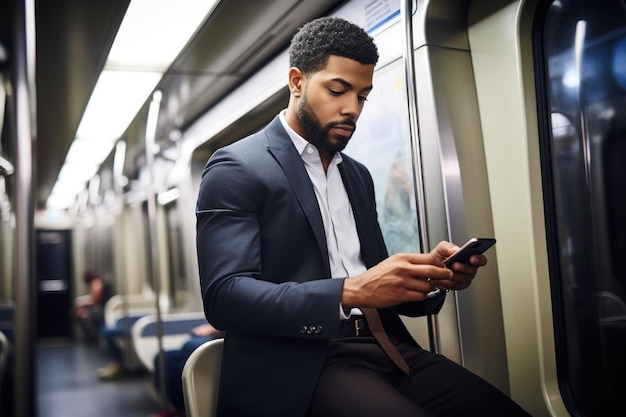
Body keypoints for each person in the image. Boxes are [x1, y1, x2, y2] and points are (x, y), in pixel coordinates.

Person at [195, 17, 531, 417]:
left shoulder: (357, 175)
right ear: (297, 81)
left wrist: (428, 277)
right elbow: (225, 299)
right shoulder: (237, 167)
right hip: (302, 362)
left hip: (386, 347)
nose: (352, 109)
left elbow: (374, 282)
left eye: (362, 96)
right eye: (338, 90)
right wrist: (348, 292)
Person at [151, 323, 224, 417]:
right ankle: (175, 408)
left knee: (186, 355)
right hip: (218, 335)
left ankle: (184, 409)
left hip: (225, 340)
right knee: (163, 358)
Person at [71, 270, 107, 343]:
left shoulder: (96, 284)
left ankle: (93, 337)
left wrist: (81, 304)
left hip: (98, 309)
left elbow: (94, 301)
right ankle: (90, 336)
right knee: (78, 311)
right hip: (95, 307)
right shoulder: (95, 283)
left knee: (83, 315)